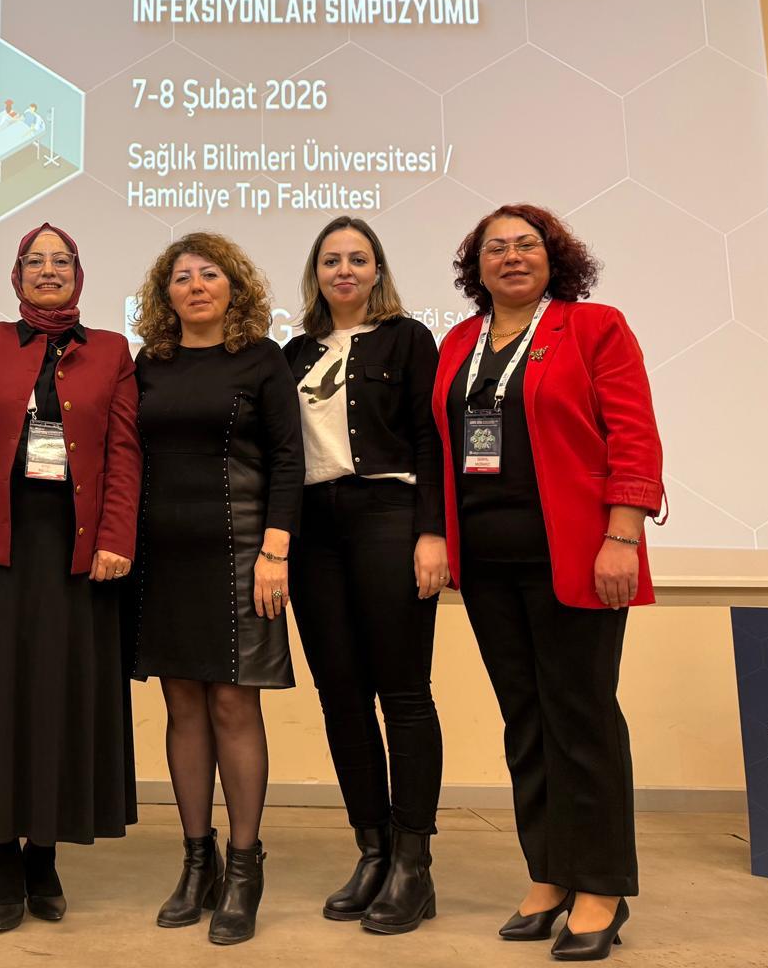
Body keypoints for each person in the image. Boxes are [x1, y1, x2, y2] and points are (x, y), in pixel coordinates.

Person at [431, 204, 663, 961]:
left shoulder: (594, 328)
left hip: (578, 555)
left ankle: (601, 885)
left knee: (581, 716)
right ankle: (550, 872)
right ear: (476, 267)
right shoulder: (459, 342)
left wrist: (622, 536)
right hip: (487, 563)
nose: (511, 257)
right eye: (495, 248)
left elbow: (633, 434)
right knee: (525, 720)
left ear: (553, 256)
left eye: (526, 244)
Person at [0, 222, 142, 932]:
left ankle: (44, 853)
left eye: (61, 261)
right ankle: (2, 858)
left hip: (77, 555)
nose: (49, 270)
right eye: (36, 262)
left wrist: (116, 538)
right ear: (16, 277)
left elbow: (125, 454)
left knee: (59, 698)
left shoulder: (112, 351)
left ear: (79, 274)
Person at [129, 232, 303, 946]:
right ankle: (196, 862)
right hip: (164, 555)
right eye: (181, 277)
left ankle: (244, 867)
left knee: (233, 702)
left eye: (209, 274)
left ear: (234, 285)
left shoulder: (262, 358)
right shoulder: (150, 362)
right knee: (182, 703)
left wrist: (275, 551)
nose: (196, 286)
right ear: (164, 295)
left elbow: (289, 459)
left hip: (241, 553)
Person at [281, 216, 446, 934]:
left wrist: (433, 532)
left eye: (357, 259)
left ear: (377, 270)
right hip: (314, 530)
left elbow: (431, 439)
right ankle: (372, 850)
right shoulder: (293, 353)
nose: (343, 270)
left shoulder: (409, 339)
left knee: (403, 693)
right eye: (330, 260)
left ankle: (413, 863)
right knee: (341, 696)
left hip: (389, 514)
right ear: (315, 274)